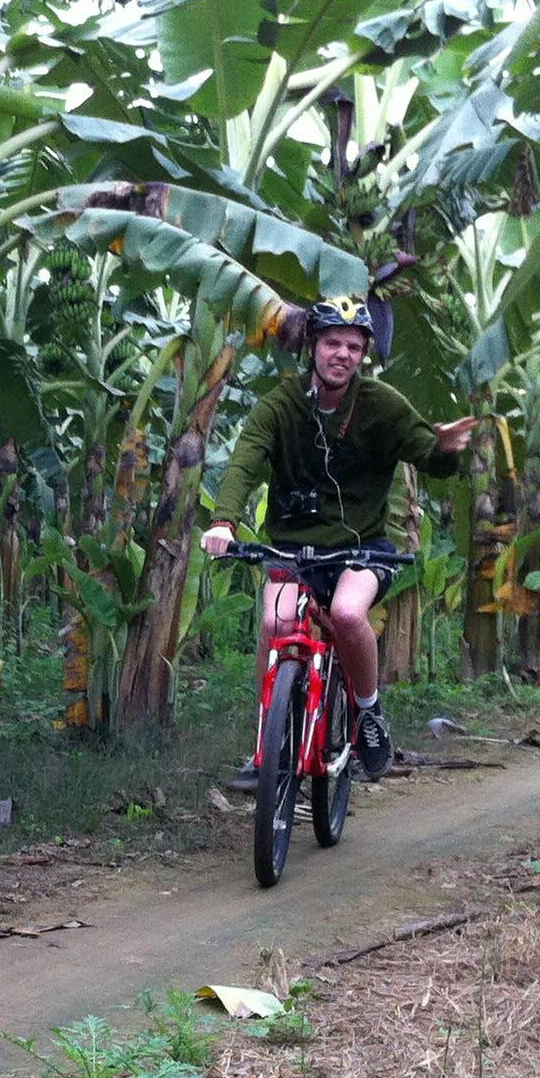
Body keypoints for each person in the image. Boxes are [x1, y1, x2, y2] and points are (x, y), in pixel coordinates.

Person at [200, 296, 477, 785]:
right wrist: (224, 521)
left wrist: (448, 450)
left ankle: (368, 713)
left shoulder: (382, 405)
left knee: (349, 615)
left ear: (364, 352)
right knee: (274, 621)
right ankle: (266, 748)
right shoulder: (282, 404)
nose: (343, 354)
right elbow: (247, 458)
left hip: (363, 549)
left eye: (354, 345)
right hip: (293, 546)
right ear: (312, 346)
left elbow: (429, 455)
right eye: (333, 342)